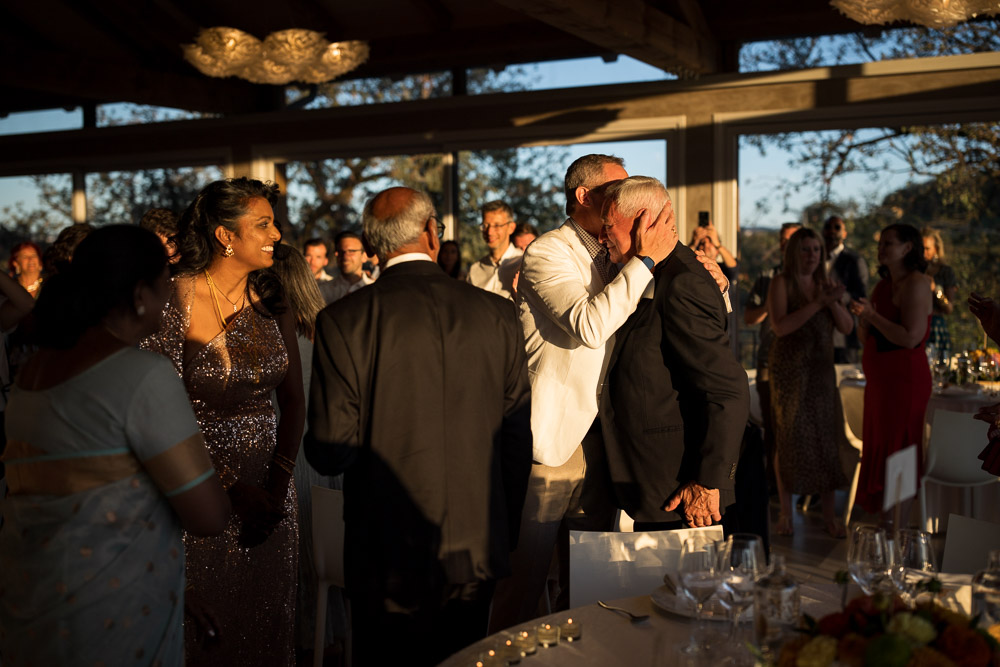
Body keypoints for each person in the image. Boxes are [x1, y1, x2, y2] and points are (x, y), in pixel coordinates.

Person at [489, 154, 725, 632]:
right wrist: (648, 259)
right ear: (585, 197)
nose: (628, 201)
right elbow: (590, 325)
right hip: (554, 443)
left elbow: (684, 318)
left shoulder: (626, 248)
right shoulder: (547, 253)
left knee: (593, 580)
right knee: (525, 581)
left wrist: (709, 279)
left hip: (614, 439)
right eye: (615, 190)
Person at [304, 186, 532, 666]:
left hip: (385, 546)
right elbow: (515, 435)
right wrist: (502, 529)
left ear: (372, 242)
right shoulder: (495, 313)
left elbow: (330, 451)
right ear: (432, 233)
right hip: (475, 539)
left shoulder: (343, 320)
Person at [0, 225, 231, 666]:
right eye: (166, 282)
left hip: (31, 599)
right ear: (140, 292)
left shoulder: (33, 371)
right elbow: (209, 515)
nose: (173, 294)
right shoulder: (142, 374)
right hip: (112, 609)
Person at [143, 177, 305, 666]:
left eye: (273, 223)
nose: (276, 234)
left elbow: (294, 404)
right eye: (263, 224)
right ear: (225, 237)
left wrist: (275, 487)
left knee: (267, 622)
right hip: (196, 489)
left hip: (272, 493)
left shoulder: (272, 299)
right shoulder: (174, 299)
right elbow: (157, 415)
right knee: (208, 631)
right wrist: (233, 489)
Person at [598, 176, 748, 530]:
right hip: (645, 479)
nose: (602, 237)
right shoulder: (642, 272)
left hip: (681, 490)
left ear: (643, 222)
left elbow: (728, 389)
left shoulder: (682, 280)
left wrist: (708, 482)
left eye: (607, 227)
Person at [268, 243, 345, 659]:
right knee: (325, 571)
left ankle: (299, 646)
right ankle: (325, 645)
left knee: (295, 569)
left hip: (287, 456)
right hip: (325, 458)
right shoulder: (327, 329)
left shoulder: (275, 336)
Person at [767, 227, 853, 537]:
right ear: (793, 253)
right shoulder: (782, 282)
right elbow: (780, 326)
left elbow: (846, 326)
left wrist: (831, 302)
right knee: (790, 439)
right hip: (789, 372)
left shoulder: (824, 284)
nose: (812, 255)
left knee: (825, 441)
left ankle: (829, 516)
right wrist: (817, 304)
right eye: (805, 249)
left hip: (821, 373)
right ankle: (786, 515)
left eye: (816, 249)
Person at [850, 223, 932, 526]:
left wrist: (872, 317)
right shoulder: (883, 286)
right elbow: (869, 338)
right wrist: (864, 322)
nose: (881, 249)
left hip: (905, 383)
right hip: (880, 384)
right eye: (880, 243)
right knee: (882, 452)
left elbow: (911, 337)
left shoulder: (917, 283)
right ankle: (887, 526)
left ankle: (898, 531)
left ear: (907, 248)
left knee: (902, 451)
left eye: (888, 243)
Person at [744, 222, 801, 492]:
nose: (785, 245)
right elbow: (748, 318)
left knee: (798, 427)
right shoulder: (767, 277)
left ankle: (801, 487)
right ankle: (773, 488)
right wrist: (771, 304)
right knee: (772, 426)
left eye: (792, 239)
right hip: (768, 358)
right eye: (782, 239)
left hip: (802, 364)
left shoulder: (812, 277)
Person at [823, 215, 869, 363]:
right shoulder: (815, 258)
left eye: (837, 227)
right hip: (819, 336)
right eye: (828, 227)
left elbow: (861, 296)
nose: (832, 231)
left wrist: (836, 296)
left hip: (844, 339)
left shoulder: (855, 261)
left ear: (844, 233)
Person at [466, 200, 522, 300]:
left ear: (511, 228)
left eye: (497, 225)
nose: (490, 232)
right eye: (485, 226)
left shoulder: (522, 263)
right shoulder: (475, 270)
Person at [922, 228, 958, 359]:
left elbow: (949, 308)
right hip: (916, 323)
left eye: (927, 249)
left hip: (935, 326)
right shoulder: (914, 271)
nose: (923, 253)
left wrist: (935, 290)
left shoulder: (945, 272)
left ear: (936, 249)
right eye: (921, 248)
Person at [319, 231, 373, 304]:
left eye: (351, 251)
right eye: (341, 251)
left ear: (364, 256)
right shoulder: (323, 291)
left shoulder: (373, 288)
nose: (345, 256)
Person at [690, 218, 738, 285]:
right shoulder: (692, 269)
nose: (706, 245)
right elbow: (681, 264)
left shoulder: (722, 269)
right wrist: (693, 243)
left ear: (717, 250)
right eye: (702, 243)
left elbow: (733, 267)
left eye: (711, 242)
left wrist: (717, 244)